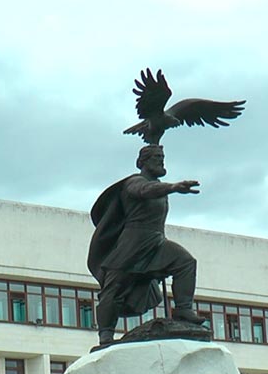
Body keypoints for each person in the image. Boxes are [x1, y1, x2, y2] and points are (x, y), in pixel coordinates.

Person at [87, 144, 205, 347]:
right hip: (133, 244)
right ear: (142, 162)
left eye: (162, 157)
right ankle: (106, 333)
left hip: (157, 241)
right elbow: (144, 191)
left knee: (185, 262)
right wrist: (173, 187)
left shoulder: (158, 186)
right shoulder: (134, 182)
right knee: (114, 288)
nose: (161, 161)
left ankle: (183, 309)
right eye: (156, 157)